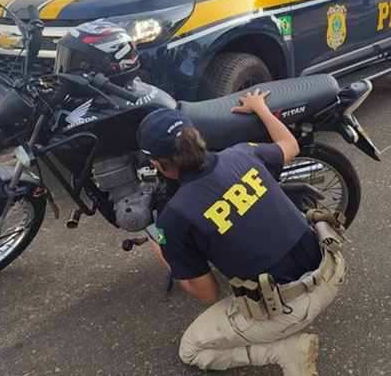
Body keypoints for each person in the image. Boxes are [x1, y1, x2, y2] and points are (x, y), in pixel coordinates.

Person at [138, 89, 346, 375]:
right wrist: (260, 107)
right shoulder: (242, 153)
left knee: (191, 349)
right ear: (197, 137)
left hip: (290, 308)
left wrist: (164, 252)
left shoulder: (175, 218)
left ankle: (285, 351)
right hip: (333, 268)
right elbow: (290, 145)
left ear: (158, 165)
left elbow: (209, 293)